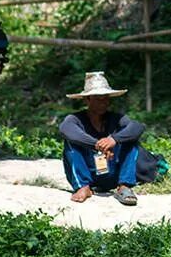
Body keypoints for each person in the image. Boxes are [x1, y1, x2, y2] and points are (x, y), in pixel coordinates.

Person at [57, 72, 146, 206]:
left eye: (106, 99)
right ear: (87, 100)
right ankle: (83, 187)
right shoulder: (75, 119)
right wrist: (97, 145)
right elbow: (66, 129)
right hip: (90, 173)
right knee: (71, 143)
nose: (103, 103)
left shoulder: (116, 118)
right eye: (98, 99)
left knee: (130, 140)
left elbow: (137, 127)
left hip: (112, 172)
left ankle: (124, 186)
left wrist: (114, 140)